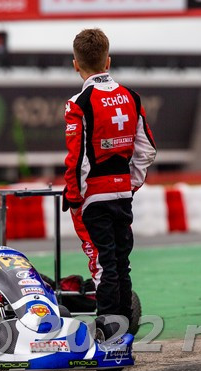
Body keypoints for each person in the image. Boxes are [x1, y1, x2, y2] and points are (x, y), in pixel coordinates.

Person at [62, 28, 157, 338]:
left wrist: (74, 197)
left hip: (94, 198)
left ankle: (107, 330)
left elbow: (76, 159)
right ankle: (124, 330)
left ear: (76, 64)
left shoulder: (78, 103)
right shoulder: (132, 96)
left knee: (104, 266)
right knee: (120, 262)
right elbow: (147, 150)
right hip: (122, 194)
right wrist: (129, 184)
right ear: (108, 61)